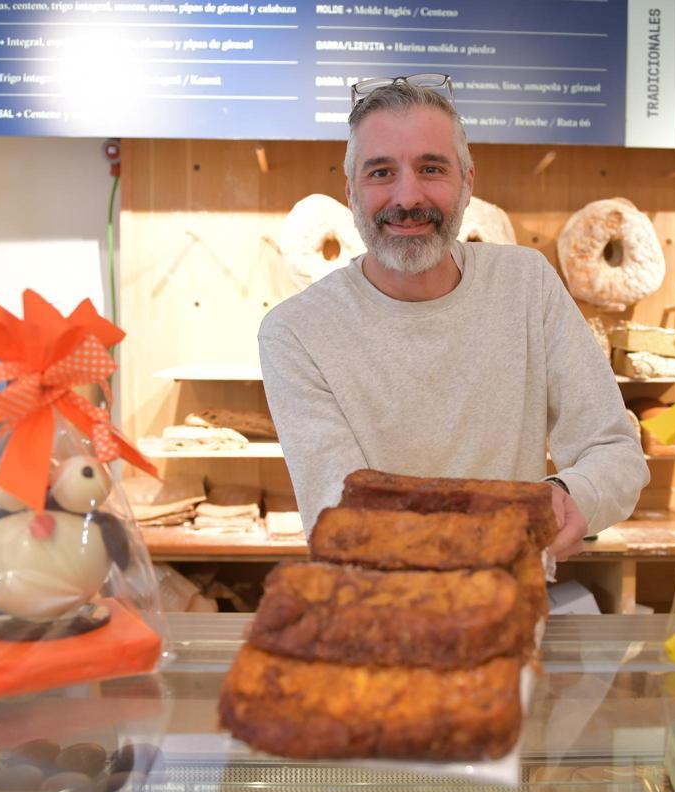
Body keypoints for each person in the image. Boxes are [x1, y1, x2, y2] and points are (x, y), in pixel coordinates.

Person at [258, 74, 649, 560]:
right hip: (368, 616)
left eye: (431, 168)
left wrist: (568, 496)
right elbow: (343, 515)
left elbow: (614, 451)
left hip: (510, 612)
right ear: (351, 192)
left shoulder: (526, 284)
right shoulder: (297, 331)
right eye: (380, 172)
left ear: (467, 183)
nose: (407, 198)